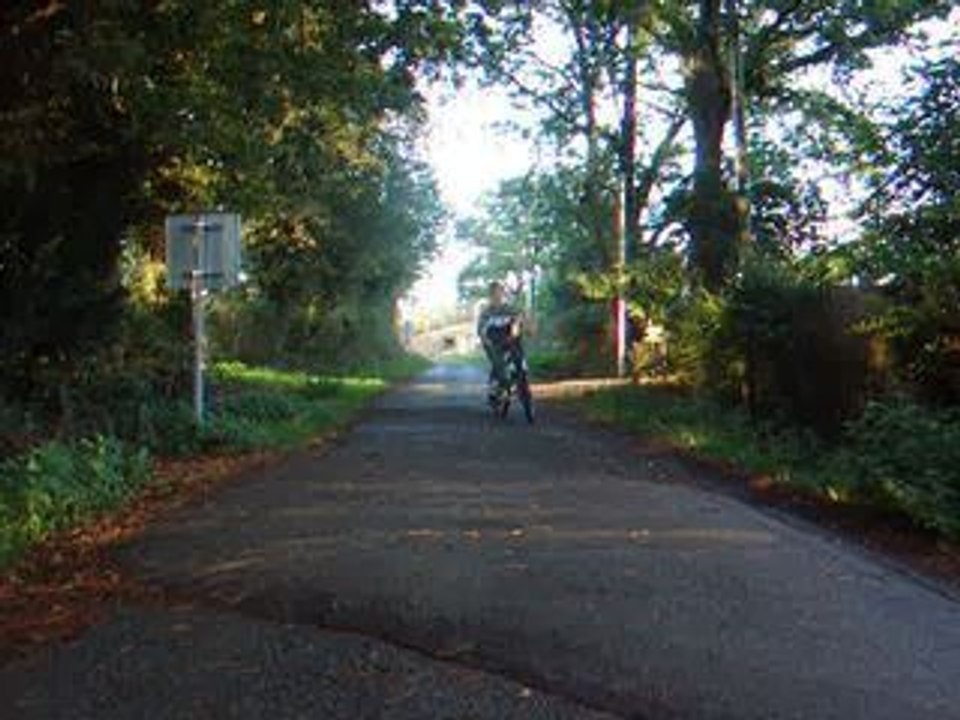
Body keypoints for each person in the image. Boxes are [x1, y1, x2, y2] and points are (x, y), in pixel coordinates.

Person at [477, 281, 524, 399]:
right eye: (494, 293)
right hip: (492, 340)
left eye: (500, 292)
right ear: (490, 295)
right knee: (499, 363)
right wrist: (485, 339)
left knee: (518, 357)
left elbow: (518, 318)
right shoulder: (486, 311)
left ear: (503, 293)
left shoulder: (509, 308)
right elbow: (481, 329)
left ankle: (519, 381)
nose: (497, 295)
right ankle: (498, 386)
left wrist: (516, 328)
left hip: (508, 338)